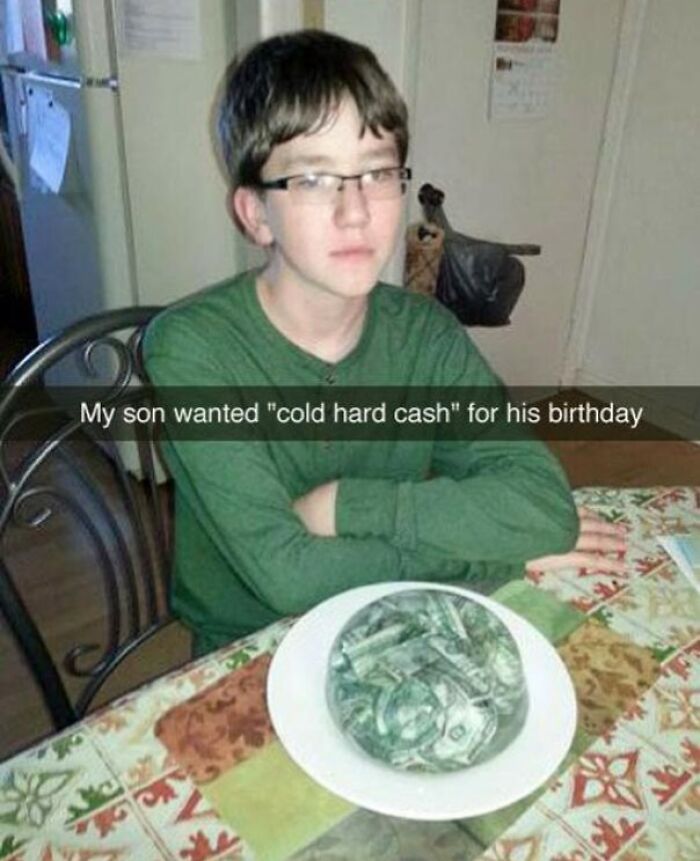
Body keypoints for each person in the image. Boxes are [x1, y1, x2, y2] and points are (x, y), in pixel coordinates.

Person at [144, 30, 625, 657]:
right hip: (254, 647)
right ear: (255, 213)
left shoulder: (425, 335)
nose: (356, 211)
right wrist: (494, 557)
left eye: (376, 172)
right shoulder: (191, 351)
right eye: (314, 179)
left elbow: (541, 506)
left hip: (398, 625)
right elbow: (288, 576)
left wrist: (346, 506)